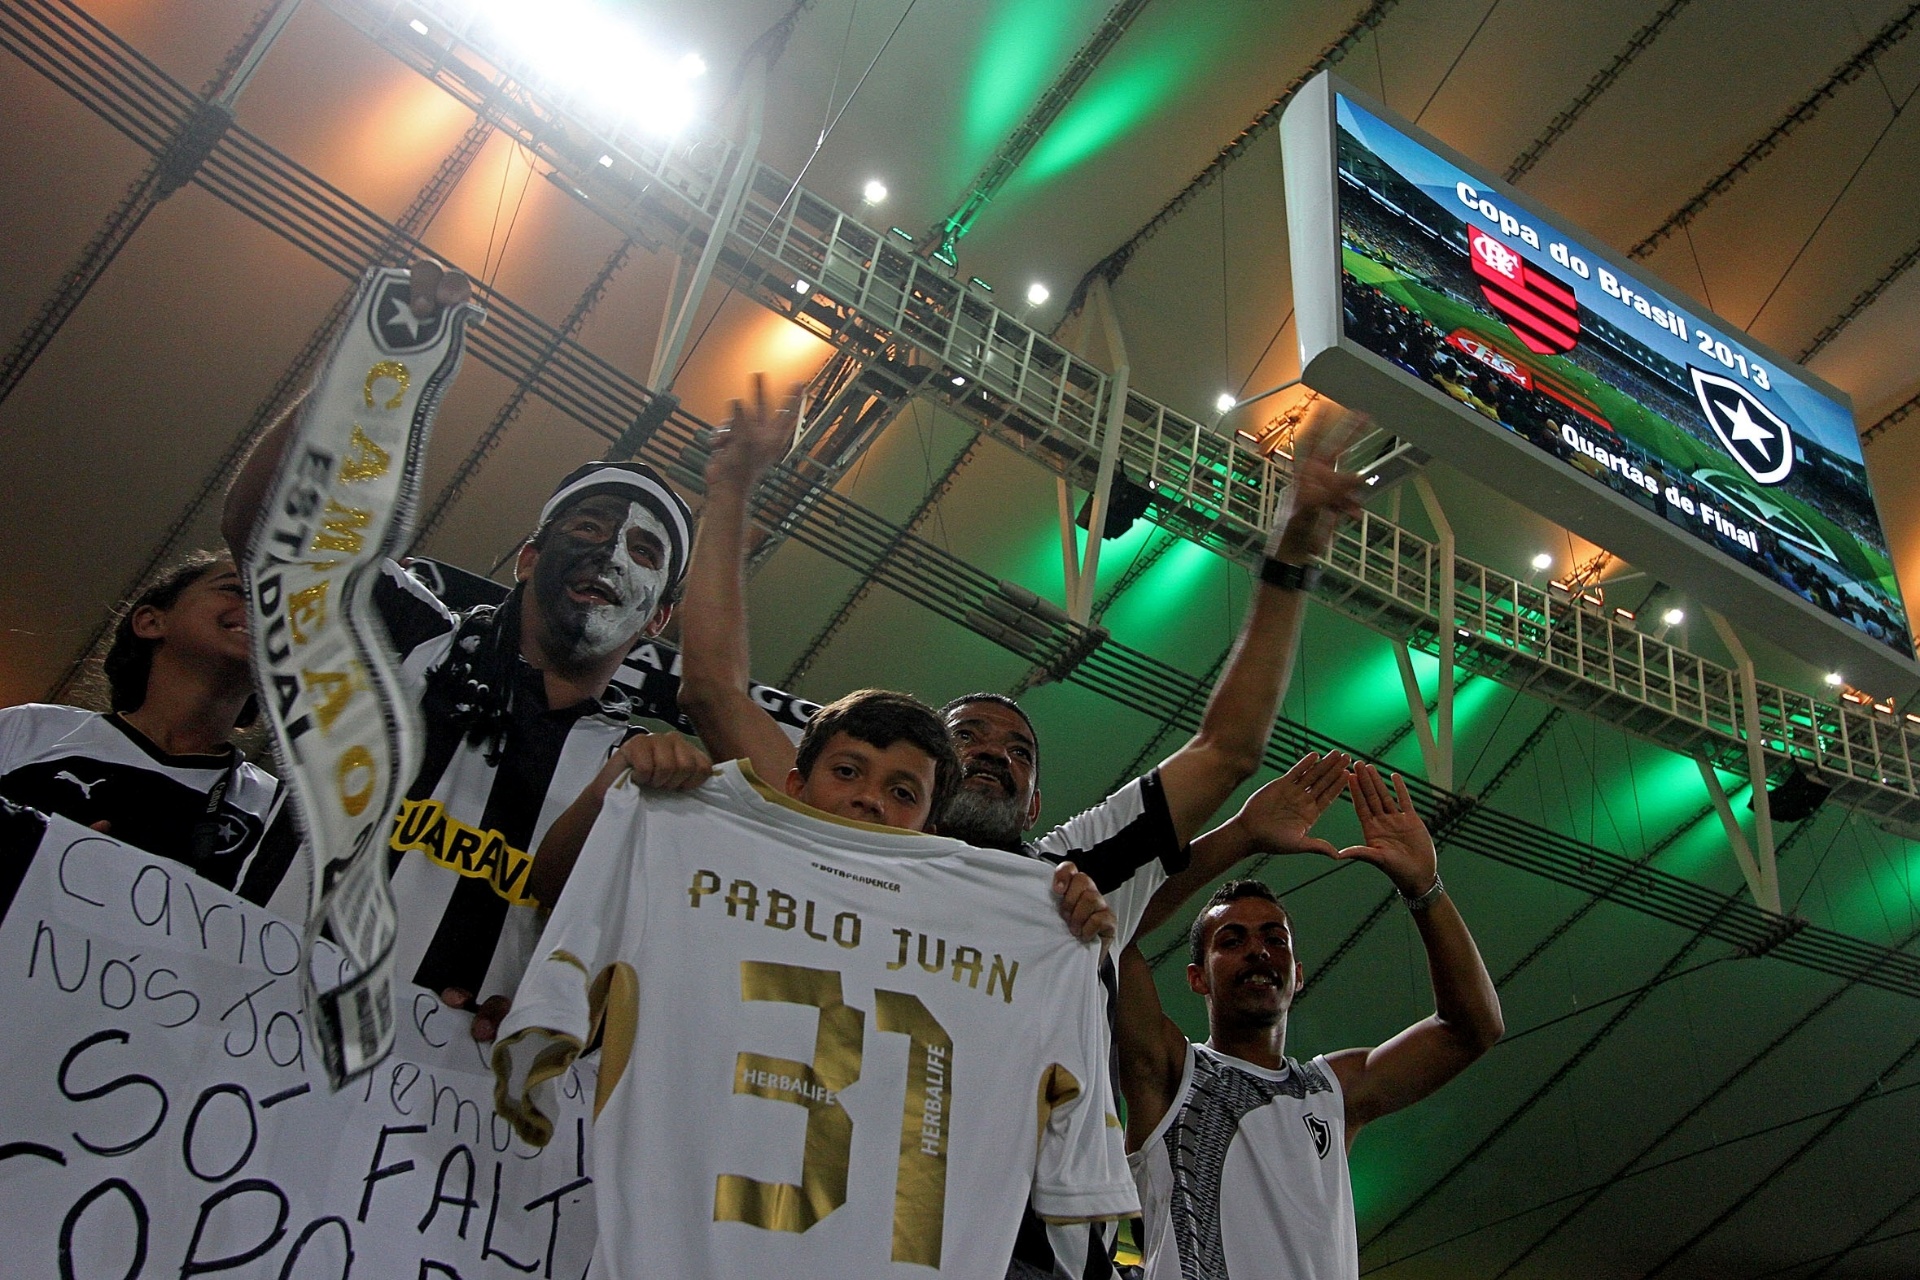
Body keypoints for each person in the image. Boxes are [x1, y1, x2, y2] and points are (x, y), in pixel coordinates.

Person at [675, 377, 1367, 1280]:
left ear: (1037, 803)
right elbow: (716, 695)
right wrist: (728, 492)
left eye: (1020, 749)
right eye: (969, 739)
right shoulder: (840, 835)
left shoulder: (1065, 876)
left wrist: (1291, 555)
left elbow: (1227, 747)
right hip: (814, 1223)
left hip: (1014, 1250)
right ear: (926, 768)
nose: (996, 753)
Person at [222, 261, 711, 1041]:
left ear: (661, 620)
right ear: (526, 557)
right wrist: (366, 367)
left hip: (440, 1101)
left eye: (644, 551)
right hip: (249, 1013)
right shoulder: (403, 635)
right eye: (589, 527)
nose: (612, 554)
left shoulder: (637, 772)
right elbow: (265, 531)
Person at [1118, 762, 1504, 1279]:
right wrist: (1242, 835)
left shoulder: (1334, 1091)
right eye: (1232, 941)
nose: (1258, 952)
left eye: (1275, 940)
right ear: (1197, 978)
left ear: (1298, 975)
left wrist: (1425, 888)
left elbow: (1473, 1028)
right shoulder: (1168, 1072)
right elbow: (1116, 925)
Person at [0, 552, 286, 900]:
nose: (262, 609)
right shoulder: (29, 729)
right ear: (151, 622)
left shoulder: (279, 812)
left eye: (276, 604)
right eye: (234, 590)